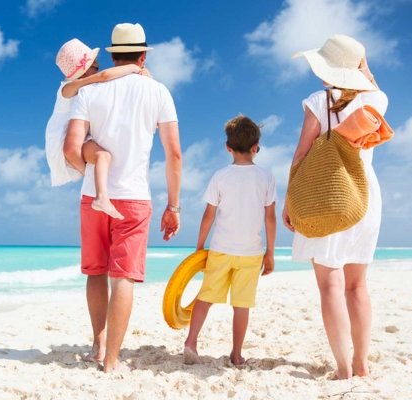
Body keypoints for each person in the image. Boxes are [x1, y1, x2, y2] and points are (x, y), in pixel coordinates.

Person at [64, 22, 182, 373]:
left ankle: (97, 346)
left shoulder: (88, 92)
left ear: (113, 55)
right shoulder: (158, 92)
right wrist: (173, 205)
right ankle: (112, 361)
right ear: (143, 56)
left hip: (92, 197)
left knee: (95, 273)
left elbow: (72, 148)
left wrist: (89, 172)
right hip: (133, 198)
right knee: (123, 278)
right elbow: (174, 155)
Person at [283, 34, 387, 379]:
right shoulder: (377, 100)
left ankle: (343, 368)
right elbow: (371, 86)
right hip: (364, 194)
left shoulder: (318, 100)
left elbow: (301, 153)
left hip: (325, 192)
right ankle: (362, 362)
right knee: (357, 285)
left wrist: (290, 199)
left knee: (330, 285)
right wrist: (364, 68)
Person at [182, 115, 277, 366]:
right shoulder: (266, 177)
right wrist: (271, 252)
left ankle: (191, 342)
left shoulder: (220, 176)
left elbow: (208, 215)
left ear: (228, 148)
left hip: (221, 249)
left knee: (206, 297)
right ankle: (236, 354)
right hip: (251, 252)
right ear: (256, 147)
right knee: (242, 305)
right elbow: (270, 218)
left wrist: (199, 247)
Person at [45, 38, 144, 219]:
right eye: (95, 65)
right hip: (63, 139)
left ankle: (101, 197)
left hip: (77, 136)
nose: (99, 66)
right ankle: (101, 198)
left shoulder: (85, 89)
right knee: (102, 157)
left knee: (102, 157)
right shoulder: (66, 89)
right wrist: (135, 68)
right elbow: (104, 77)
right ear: (84, 71)